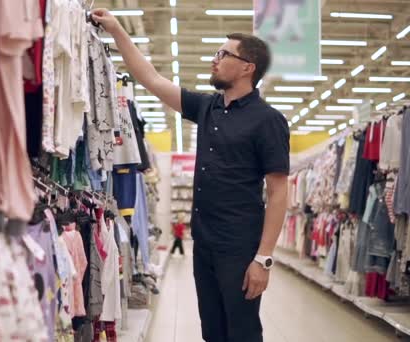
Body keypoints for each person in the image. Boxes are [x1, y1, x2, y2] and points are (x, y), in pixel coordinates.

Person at [91, 9, 289, 342]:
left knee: (241, 332)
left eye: (223, 54)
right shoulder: (208, 107)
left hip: (240, 246)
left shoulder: (267, 120)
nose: (215, 59)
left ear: (247, 67)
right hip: (205, 242)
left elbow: (279, 192)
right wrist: (116, 30)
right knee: (212, 331)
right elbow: (152, 79)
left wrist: (263, 259)